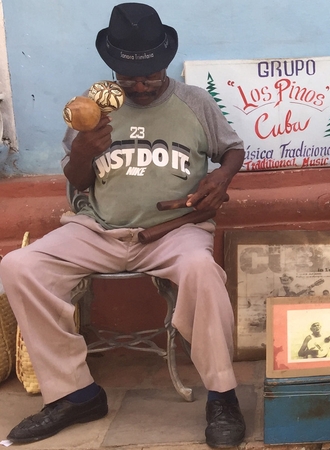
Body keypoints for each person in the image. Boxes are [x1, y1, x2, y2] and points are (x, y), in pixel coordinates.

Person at [0, 3, 247, 447]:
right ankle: (76, 394)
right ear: (112, 69)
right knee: (19, 267)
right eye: (129, 76)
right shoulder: (89, 111)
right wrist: (83, 151)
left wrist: (220, 175)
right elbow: (76, 182)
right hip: (96, 230)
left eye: (150, 75)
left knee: (202, 272)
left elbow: (232, 150)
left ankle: (222, 394)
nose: (140, 85)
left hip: (173, 231)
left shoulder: (194, 102)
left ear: (165, 62)